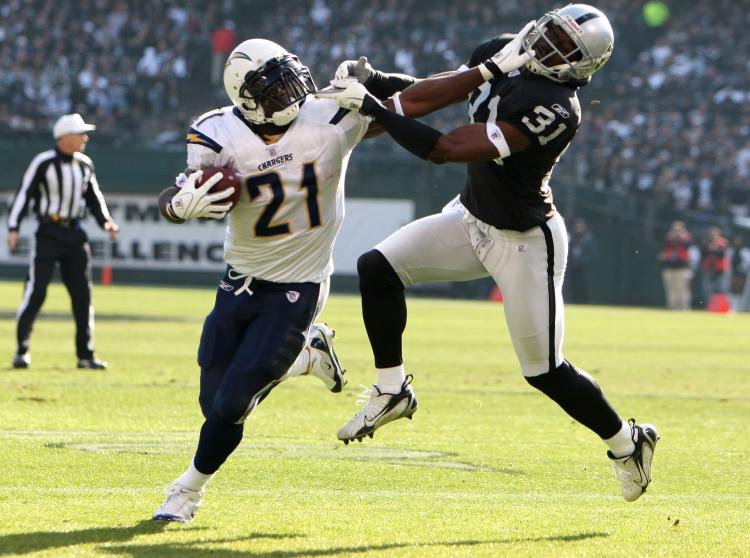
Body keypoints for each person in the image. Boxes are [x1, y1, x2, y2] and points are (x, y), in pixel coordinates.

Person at [318, 4, 659, 502]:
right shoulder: (504, 49)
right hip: (470, 216)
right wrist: (385, 82)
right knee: (378, 267)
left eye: (563, 48)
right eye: (550, 34)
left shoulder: (557, 108)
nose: (545, 47)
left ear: (579, 67)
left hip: (523, 240)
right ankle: (392, 389)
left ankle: (629, 444)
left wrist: (373, 106)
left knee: (544, 371)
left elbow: (450, 147)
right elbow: (457, 88)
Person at [151, 38, 373, 522]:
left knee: (231, 404)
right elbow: (175, 194)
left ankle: (187, 492)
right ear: (244, 97)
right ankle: (307, 354)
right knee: (213, 402)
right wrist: (175, 206)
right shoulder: (218, 132)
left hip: (299, 285)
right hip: (239, 281)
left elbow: (399, 111)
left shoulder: (330, 116)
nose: (290, 95)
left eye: (289, 80)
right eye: (273, 90)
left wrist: (376, 83)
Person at [7, 113, 119, 370]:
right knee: (36, 290)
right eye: (80, 134)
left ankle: (85, 354)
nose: (85, 138)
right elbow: (25, 194)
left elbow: (94, 197)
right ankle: (22, 349)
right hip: (48, 232)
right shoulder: (43, 163)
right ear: (64, 137)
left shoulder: (84, 164)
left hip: (75, 234)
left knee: (82, 295)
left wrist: (106, 222)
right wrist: (13, 226)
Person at [659, 220, 693, 310]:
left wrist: (681, 237)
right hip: (669, 267)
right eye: (675, 229)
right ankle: (672, 306)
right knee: (670, 289)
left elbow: (687, 246)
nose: (676, 232)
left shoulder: (686, 238)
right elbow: (664, 248)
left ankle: (683, 307)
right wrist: (672, 238)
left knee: (682, 289)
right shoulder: (668, 238)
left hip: (681, 267)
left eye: (678, 230)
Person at [566, 216, 596, 304]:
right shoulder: (571, 238)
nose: (578, 228)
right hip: (573, 267)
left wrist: (582, 260)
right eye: (577, 226)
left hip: (584, 268)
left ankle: (584, 303)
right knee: (573, 286)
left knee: (583, 286)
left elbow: (592, 253)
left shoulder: (588, 238)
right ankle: (575, 302)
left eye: (580, 226)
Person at [699, 226, 729, 306]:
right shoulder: (705, 243)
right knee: (707, 289)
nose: (713, 237)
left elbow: (721, 254)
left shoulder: (722, 243)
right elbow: (703, 254)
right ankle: (709, 305)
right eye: (711, 235)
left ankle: (721, 305)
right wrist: (710, 248)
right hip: (708, 269)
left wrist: (713, 248)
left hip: (720, 270)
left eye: (715, 235)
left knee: (721, 288)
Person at [727, 234, 750, 312]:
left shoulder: (744, 250)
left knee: (739, 289)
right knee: (732, 289)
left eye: (738, 240)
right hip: (733, 272)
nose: (736, 242)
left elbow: (746, 262)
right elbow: (729, 260)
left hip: (741, 273)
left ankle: (738, 306)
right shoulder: (732, 250)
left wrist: (740, 268)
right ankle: (732, 306)